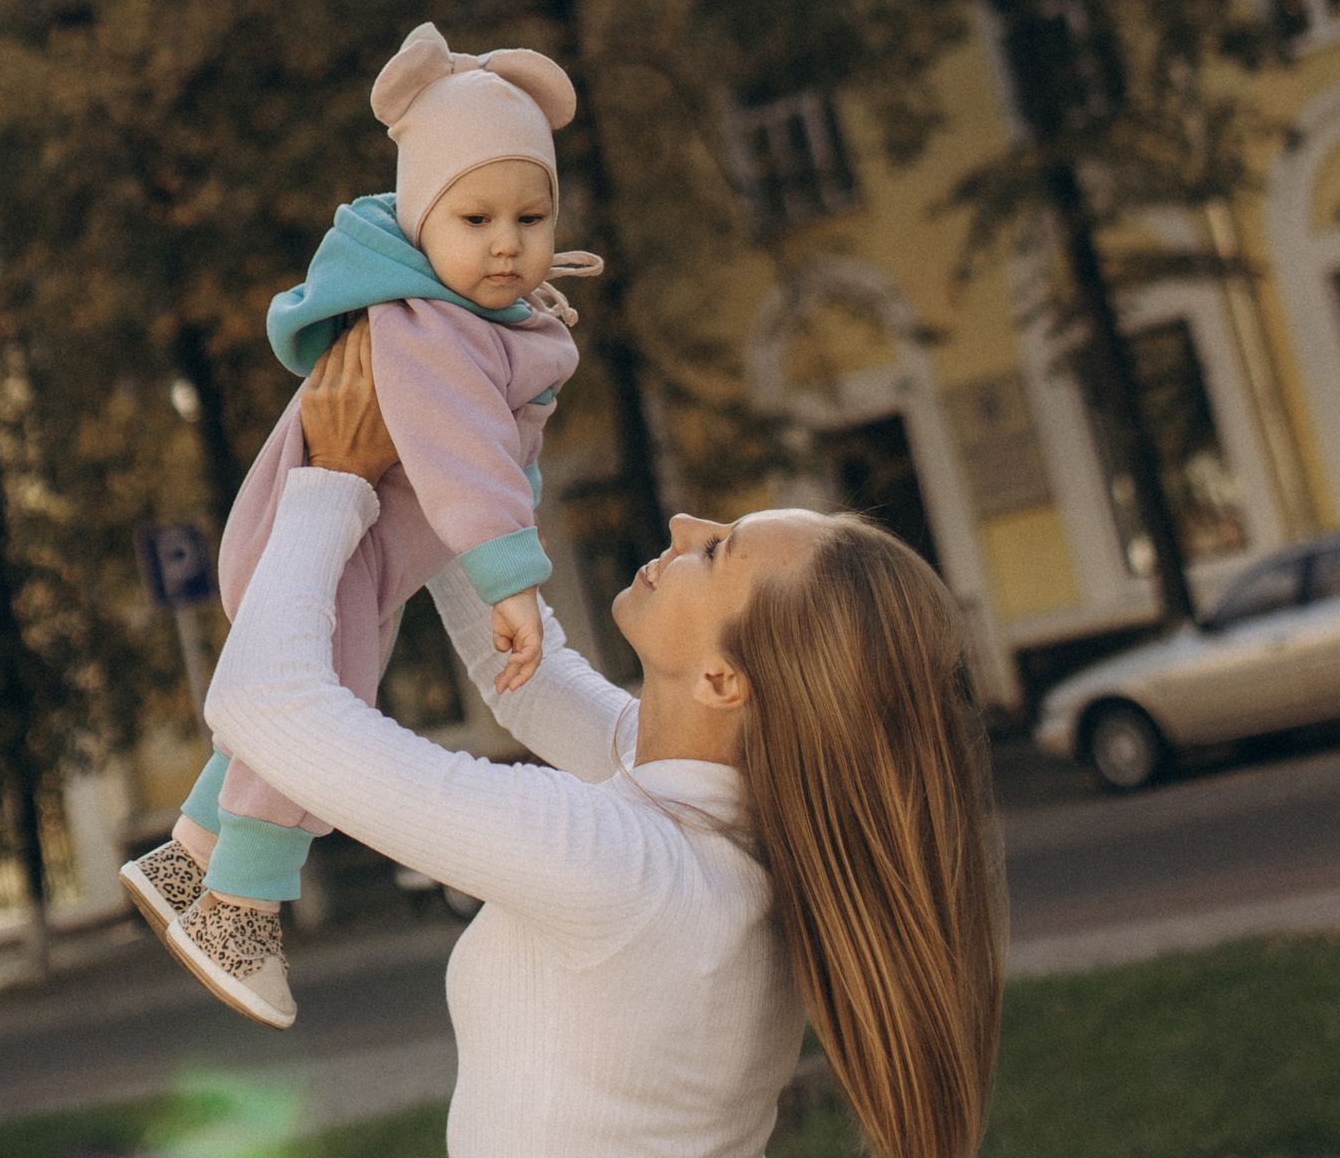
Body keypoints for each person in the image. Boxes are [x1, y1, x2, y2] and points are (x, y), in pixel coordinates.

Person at [199, 319, 1006, 1158]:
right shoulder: (723, 833)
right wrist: (438, 431)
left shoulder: (626, 866)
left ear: (725, 682)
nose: (686, 523)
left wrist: (332, 481)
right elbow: (527, 681)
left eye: (718, 551)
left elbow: (267, 702)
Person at [120, 21, 600, 1026]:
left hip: (363, 552)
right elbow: (466, 452)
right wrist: (513, 577)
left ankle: (188, 860)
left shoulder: (485, 319)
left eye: (532, 214)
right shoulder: (422, 323)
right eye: (475, 217)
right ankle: (240, 908)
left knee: (324, 697)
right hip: (332, 540)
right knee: (321, 710)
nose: (508, 241)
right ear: (423, 220)